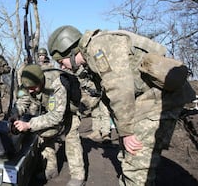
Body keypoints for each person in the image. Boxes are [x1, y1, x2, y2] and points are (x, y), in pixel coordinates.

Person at [47, 25, 196, 186]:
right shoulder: (93, 54)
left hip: (159, 100)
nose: (62, 67)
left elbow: (120, 89)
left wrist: (126, 131)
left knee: (135, 164)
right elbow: (101, 94)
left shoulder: (99, 47)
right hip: (148, 100)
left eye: (61, 62)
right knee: (128, 159)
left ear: (70, 51)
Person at [13, 64, 86, 186]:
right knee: (45, 135)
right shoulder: (28, 83)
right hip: (51, 111)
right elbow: (22, 100)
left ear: (41, 82)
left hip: (69, 111)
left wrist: (29, 124)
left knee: (71, 140)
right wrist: (16, 113)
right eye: (28, 88)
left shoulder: (56, 84)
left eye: (33, 88)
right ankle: (51, 170)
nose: (30, 91)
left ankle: (78, 177)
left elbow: (56, 116)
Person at [77, 66, 112, 142]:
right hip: (93, 91)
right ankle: (96, 131)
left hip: (103, 89)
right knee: (95, 112)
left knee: (104, 112)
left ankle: (105, 133)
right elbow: (81, 78)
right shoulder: (85, 67)